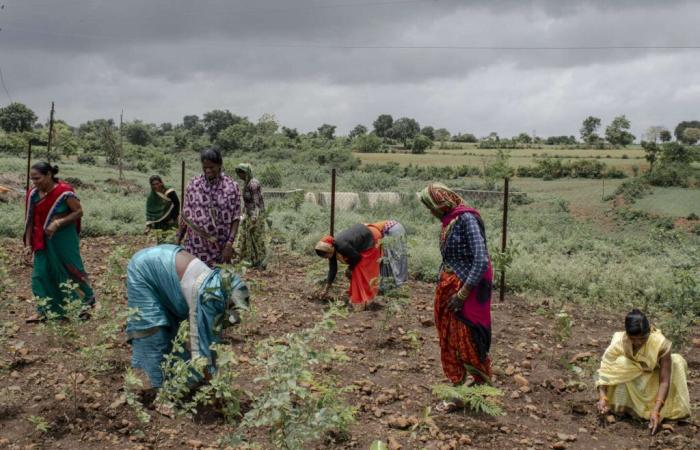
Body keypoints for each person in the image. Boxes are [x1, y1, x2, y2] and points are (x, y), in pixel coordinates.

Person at [126, 244, 250, 389]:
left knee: (175, 333)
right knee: (153, 331)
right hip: (144, 269)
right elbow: (200, 344)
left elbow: (212, 337)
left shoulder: (218, 283)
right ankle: (160, 392)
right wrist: (214, 384)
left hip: (164, 261)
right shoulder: (209, 297)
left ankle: (175, 380)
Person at [419, 183, 493, 412]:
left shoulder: (466, 219)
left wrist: (462, 294)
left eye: (432, 207)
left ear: (442, 203)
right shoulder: (450, 220)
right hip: (449, 287)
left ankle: (475, 389)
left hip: (466, 292)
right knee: (449, 339)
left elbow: (481, 260)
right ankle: (459, 386)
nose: (431, 212)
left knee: (467, 338)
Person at [595, 309, 690, 434]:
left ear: (649, 331)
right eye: (633, 339)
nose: (638, 342)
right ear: (627, 335)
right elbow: (604, 371)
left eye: (643, 338)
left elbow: (664, 381)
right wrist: (602, 397)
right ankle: (623, 407)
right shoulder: (619, 342)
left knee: (677, 361)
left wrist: (656, 410)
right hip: (633, 380)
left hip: (653, 380)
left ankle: (664, 411)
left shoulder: (661, 344)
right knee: (621, 363)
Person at [23, 162, 95, 321]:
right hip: (41, 240)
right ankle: (44, 310)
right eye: (32, 179)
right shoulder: (33, 194)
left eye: (38, 178)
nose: (35, 182)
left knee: (70, 270)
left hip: (63, 239)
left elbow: (78, 212)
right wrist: (27, 245)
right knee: (40, 275)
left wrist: (58, 223)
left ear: (49, 175)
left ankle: (83, 305)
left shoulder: (64, 192)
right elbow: (29, 221)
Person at [314, 220, 406, 311]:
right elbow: (333, 270)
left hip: (372, 238)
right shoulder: (333, 248)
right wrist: (326, 288)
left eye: (325, 255)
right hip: (365, 237)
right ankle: (360, 297)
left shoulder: (341, 246)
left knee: (361, 270)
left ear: (330, 249)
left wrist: (350, 269)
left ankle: (364, 299)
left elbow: (356, 257)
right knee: (356, 270)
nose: (326, 258)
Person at [177, 148, 241, 268]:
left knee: (217, 283)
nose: (208, 170)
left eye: (211, 167)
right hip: (195, 248)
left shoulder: (231, 187)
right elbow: (185, 216)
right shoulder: (194, 184)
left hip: (220, 249)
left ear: (220, 165)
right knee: (195, 282)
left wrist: (229, 244)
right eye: (205, 167)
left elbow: (236, 218)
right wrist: (177, 239)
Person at [234, 163, 267, 268]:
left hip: (255, 215)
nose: (239, 176)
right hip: (248, 214)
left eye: (241, 174)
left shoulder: (253, 184)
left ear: (246, 173)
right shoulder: (247, 183)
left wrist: (254, 218)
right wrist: (244, 213)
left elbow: (257, 202)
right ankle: (249, 259)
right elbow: (247, 201)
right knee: (246, 236)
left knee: (256, 238)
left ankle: (260, 261)